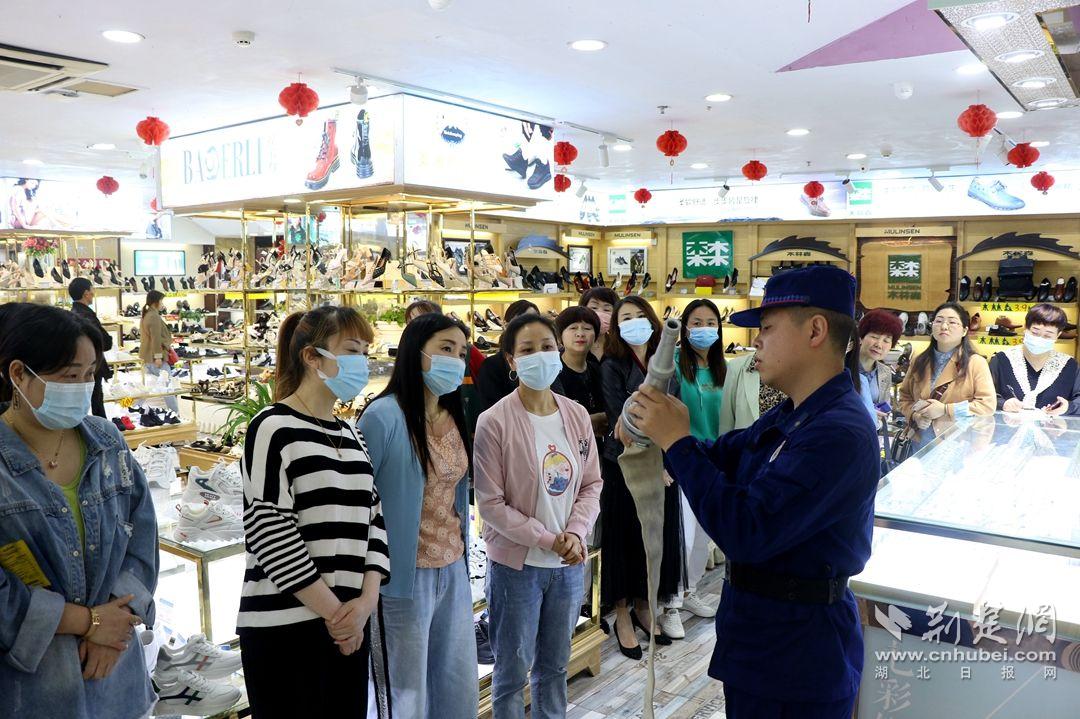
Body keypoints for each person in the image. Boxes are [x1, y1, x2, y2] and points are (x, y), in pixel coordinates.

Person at [622, 265, 880, 719]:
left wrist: (677, 442)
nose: (756, 341)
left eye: (767, 328)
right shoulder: (794, 414)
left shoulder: (838, 431)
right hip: (761, 641)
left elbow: (746, 529)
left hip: (798, 658)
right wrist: (659, 433)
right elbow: (721, 454)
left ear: (815, 330)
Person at [0, 303, 159, 718]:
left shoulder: (106, 441)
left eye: (90, 375)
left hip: (118, 680)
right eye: (70, 377)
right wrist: (89, 623)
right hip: (31, 688)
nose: (83, 387)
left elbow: (142, 539)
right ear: (18, 374)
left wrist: (116, 624)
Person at [238, 306, 390, 718]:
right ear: (312, 356)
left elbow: (374, 522)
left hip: (351, 625)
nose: (362, 362)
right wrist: (338, 615)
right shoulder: (272, 427)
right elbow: (271, 532)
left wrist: (365, 605)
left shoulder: (352, 433)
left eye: (365, 352)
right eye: (352, 350)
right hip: (286, 626)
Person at [473, 313, 602, 719]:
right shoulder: (493, 421)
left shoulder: (575, 415)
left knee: (555, 667)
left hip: (568, 567)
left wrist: (576, 533)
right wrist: (549, 540)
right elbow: (491, 504)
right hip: (517, 568)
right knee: (511, 673)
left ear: (558, 351)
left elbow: (591, 483)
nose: (539, 355)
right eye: (527, 350)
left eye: (546, 347)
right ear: (511, 361)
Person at [357, 313, 479, 719]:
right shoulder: (383, 416)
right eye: (446, 348)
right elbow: (363, 503)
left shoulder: (452, 412)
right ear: (416, 352)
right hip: (401, 576)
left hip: (453, 568)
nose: (455, 360)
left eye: (461, 352)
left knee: (455, 680)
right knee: (404, 690)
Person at [599, 295, 684, 658]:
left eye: (639, 315)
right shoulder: (612, 365)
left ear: (651, 320)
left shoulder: (667, 362)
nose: (634, 322)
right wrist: (653, 456)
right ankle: (622, 614)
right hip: (626, 464)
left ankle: (644, 605)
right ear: (617, 327)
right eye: (625, 317)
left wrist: (666, 459)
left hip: (664, 458)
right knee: (624, 538)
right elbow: (620, 418)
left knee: (655, 535)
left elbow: (676, 410)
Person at [658, 299, 726, 639]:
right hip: (680, 461)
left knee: (703, 535)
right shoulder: (672, 366)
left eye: (710, 322)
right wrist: (660, 461)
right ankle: (669, 604)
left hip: (714, 463)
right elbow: (657, 411)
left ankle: (689, 591)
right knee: (681, 536)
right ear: (684, 329)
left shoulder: (725, 369)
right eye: (696, 323)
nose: (704, 329)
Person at [899, 301, 995, 451]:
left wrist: (946, 409)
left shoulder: (975, 363)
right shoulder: (919, 360)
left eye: (952, 322)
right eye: (938, 321)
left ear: (964, 331)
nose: (944, 326)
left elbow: (987, 405)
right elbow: (905, 397)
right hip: (919, 443)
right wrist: (915, 416)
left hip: (958, 444)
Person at [989, 303, 1080, 415]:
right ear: (1025, 328)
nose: (1040, 339)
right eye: (1035, 332)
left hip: (1054, 426)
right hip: (1006, 425)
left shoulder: (1070, 366)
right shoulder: (1001, 360)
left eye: (1048, 335)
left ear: (1058, 335)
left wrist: (1068, 407)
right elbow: (983, 396)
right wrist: (1002, 403)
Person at [476, 300, 543, 412]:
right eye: (521, 321)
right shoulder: (492, 366)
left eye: (533, 321)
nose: (528, 327)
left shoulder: (545, 362)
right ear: (506, 325)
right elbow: (492, 409)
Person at [553, 306, 606, 434]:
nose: (580, 333)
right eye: (573, 328)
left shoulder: (597, 370)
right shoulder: (552, 373)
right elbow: (561, 423)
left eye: (587, 328)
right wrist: (595, 420)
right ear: (560, 336)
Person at [69, 277, 113, 418]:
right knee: (96, 400)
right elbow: (105, 342)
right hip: (92, 365)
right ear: (86, 293)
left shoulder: (73, 313)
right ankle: (100, 429)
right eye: (92, 290)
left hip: (81, 364)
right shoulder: (86, 315)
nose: (93, 293)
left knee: (88, 399)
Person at [850, 309, 903, 422]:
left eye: (886, 341)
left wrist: (881, 414)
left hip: (870, 430)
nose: (879, 345)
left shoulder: (885, 372)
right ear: (861, 337)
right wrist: (866, 412)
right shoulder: (841, 366)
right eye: (875, 337)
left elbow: (884, 407)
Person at [138, 290, 178, 413]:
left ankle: (132, 408)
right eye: (161, 301)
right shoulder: (154, 316)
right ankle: (175, 414)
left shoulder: (146, 315)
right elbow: (156, 338)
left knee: (145, 389)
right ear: (156, 302)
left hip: (147, 357)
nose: (162, 304)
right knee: (168, 388)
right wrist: (158, 356)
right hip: (155, 358)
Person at [579, 287, 618, 361]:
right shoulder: (573, 344)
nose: (599, 313)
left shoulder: (619, 347)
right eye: (594, 308)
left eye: (606, 309)